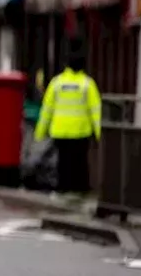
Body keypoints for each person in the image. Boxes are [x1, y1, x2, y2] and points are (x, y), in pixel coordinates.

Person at [34, 48, 101, 195]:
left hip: (60, 131)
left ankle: (63, 188)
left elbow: (47, 109)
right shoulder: (87, 84)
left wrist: (40, 132)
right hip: (80, 131)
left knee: (63, 162)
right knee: (80, 163)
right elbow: (95, 111)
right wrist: (99, 134)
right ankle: (80, 190)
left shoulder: (57, 83)